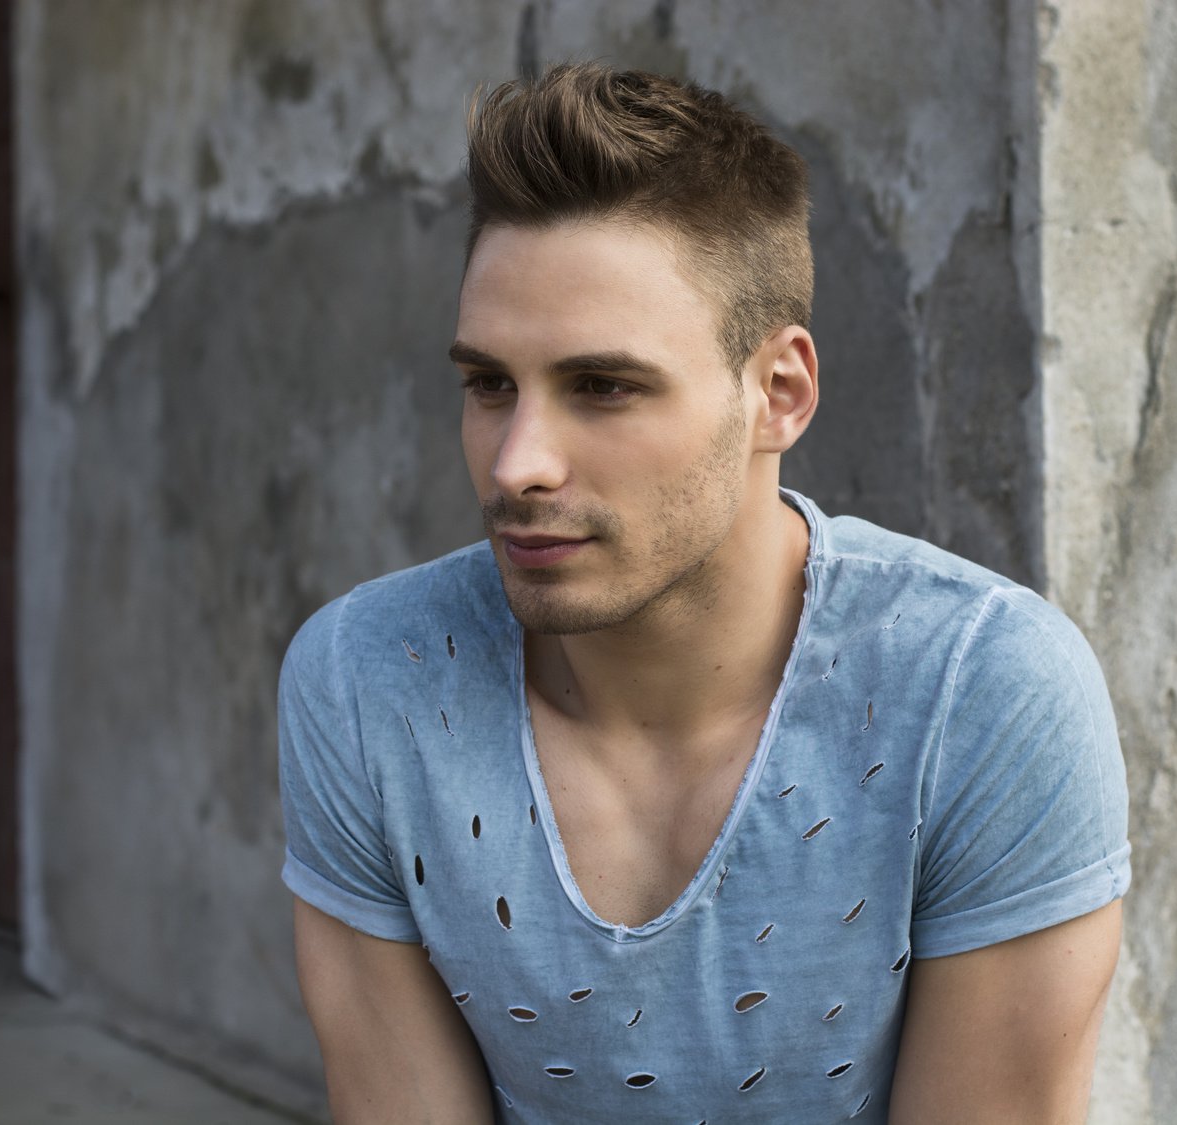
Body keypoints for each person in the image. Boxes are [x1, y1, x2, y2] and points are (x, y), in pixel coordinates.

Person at [278, 62, 1130, 1124]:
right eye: (488, 384)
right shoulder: (369, 678)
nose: (515, 465)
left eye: (602, 387)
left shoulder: (982, 691)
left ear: (778, 394)